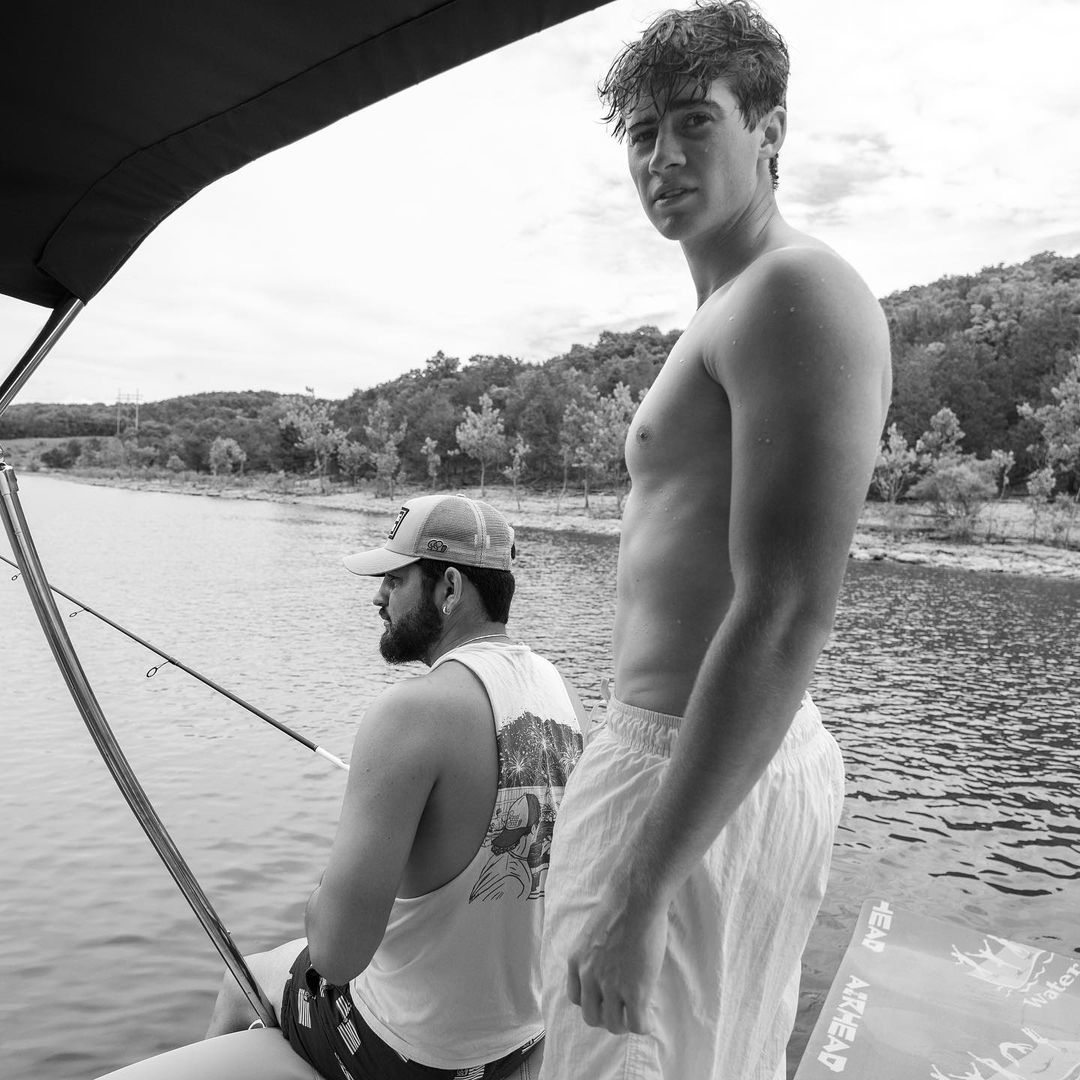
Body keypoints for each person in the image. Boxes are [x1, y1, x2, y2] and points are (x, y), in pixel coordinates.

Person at [539, 3, 892, 1078]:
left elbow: (785, 609)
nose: (662, 157)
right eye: (643, 134)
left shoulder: (796, 290)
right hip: (689, 763)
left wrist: (640, 889)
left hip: (688, 777)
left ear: (769, 132)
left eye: (696, 121)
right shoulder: (728, 307)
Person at [206, 493, 586, 1080]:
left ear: (449, 588)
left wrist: (327, 889)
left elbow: (337, 955)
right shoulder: (561, 692)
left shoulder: (412, 713)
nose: (378, 597)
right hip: (520, 1040)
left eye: (394, 579)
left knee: (242, 981)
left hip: (410, 1053)